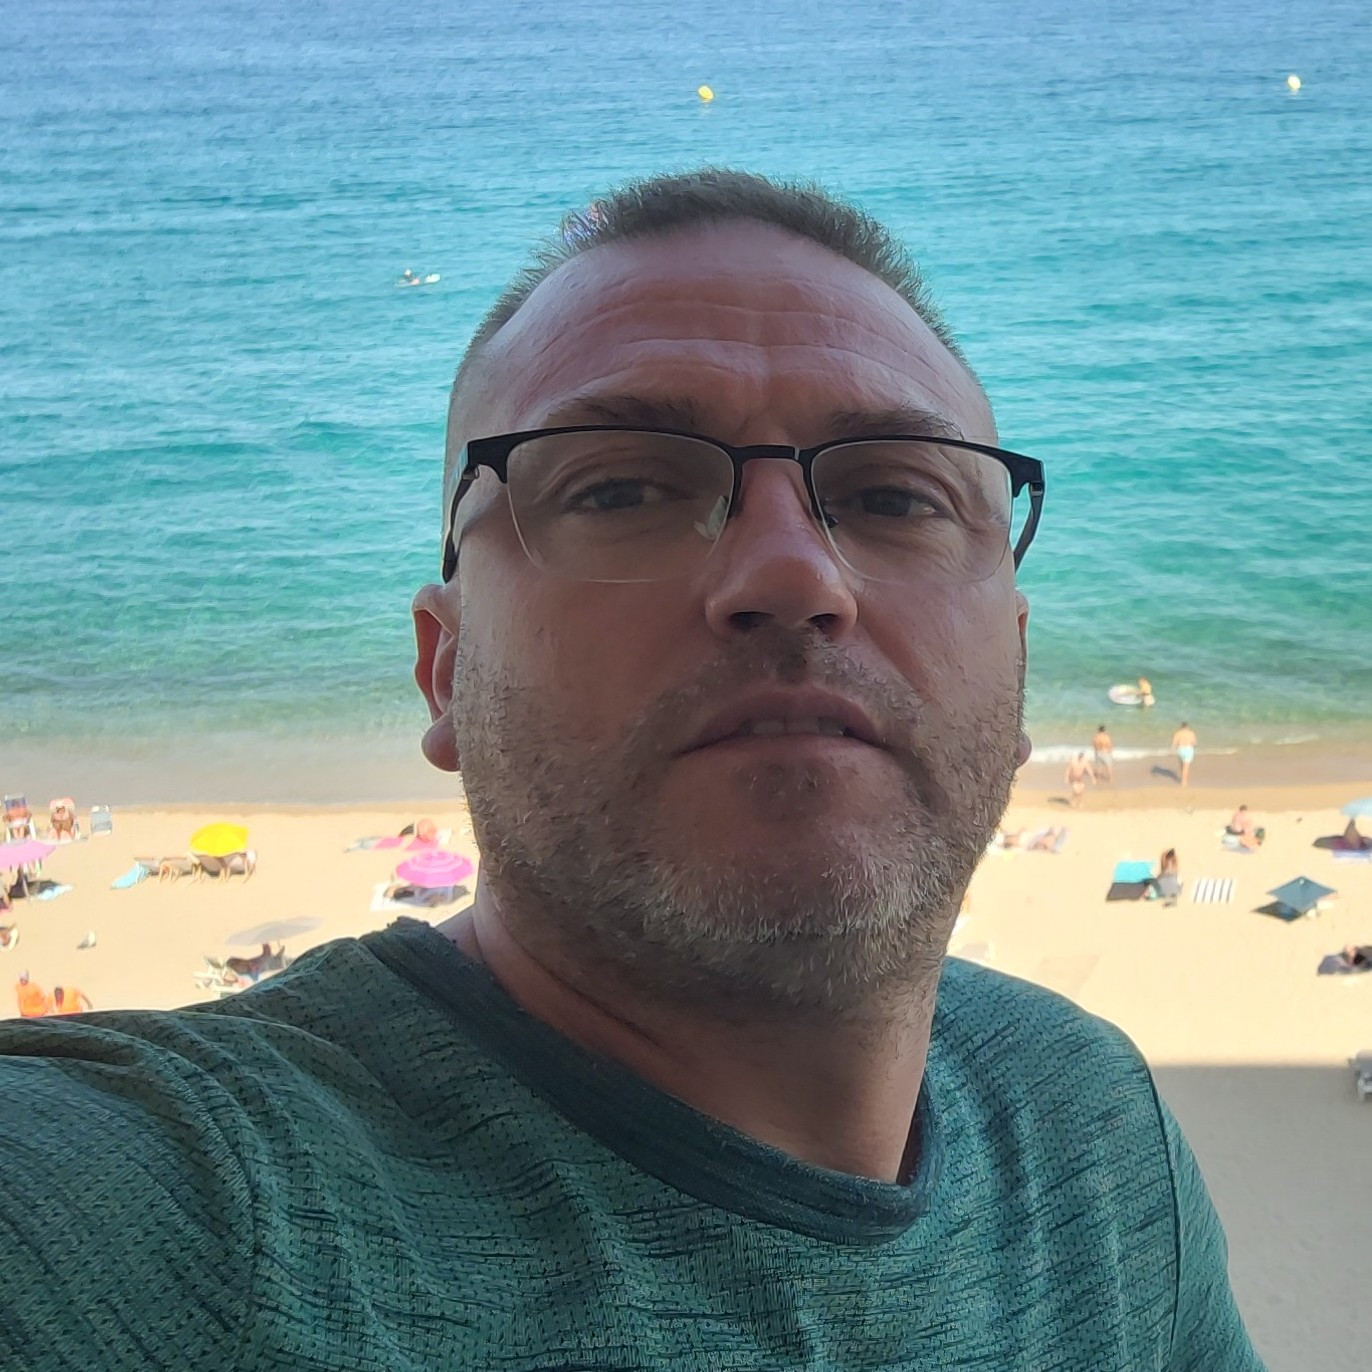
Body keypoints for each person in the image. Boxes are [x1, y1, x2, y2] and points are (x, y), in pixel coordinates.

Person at [0, 171, 1263, 1368]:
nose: (793, 574)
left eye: (896, 497)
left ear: (1018, 662)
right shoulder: (186, 1209)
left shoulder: (1093, 1128)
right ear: (445, 670)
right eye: (619, 489)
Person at [1171, 721, 1197, 787]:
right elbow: (1194, 743)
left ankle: (1182, 779)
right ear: (1187, 727)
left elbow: (1174, 744)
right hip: (1188, 749)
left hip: (1180, 749)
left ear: (1181, 726)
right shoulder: (1191, 733)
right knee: (1186, 767)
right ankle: (1184, 782)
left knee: (1181, 765)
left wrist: (1172, 751)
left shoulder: (1177, 733)